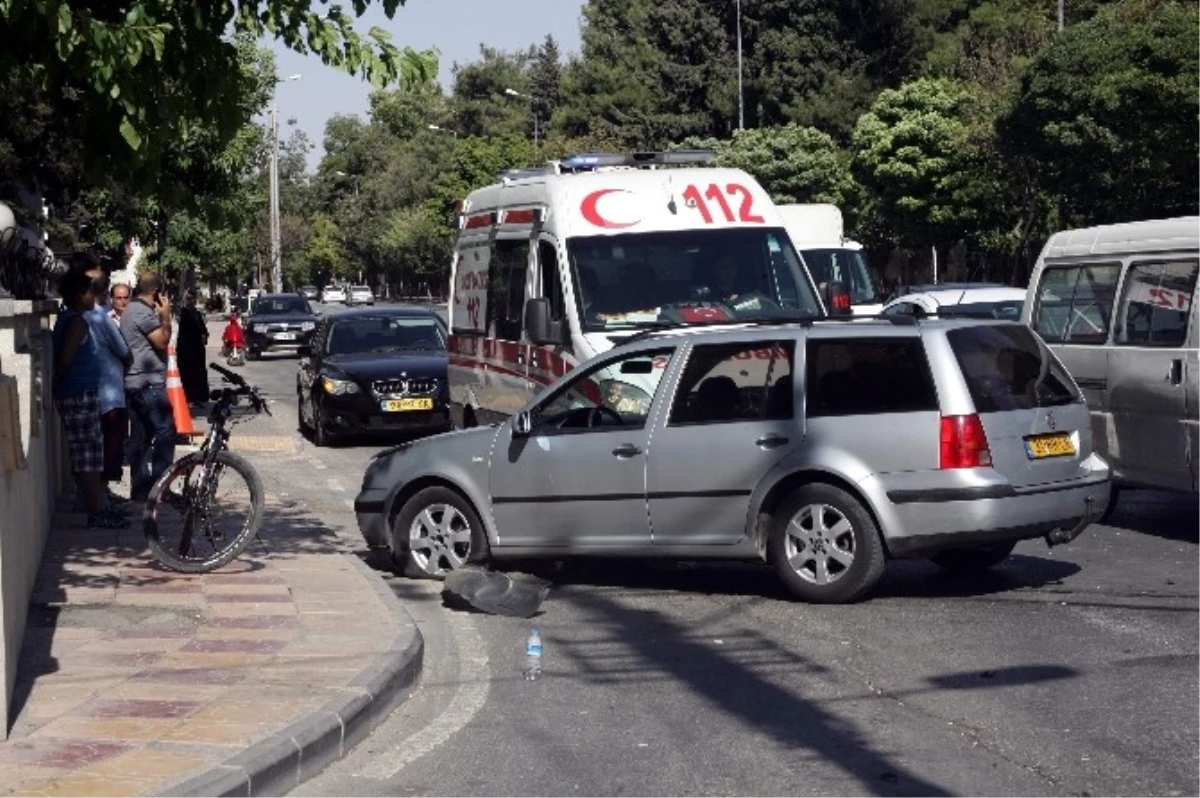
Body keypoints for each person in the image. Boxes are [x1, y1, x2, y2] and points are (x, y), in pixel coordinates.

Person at [52, 269, 130, 529]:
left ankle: (101, 506)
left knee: (91, 453)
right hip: (77, 394)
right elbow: (65, 359)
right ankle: (97, 510)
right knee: (88, 454)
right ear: (79, 295)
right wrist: (61, 383)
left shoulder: (70, 317)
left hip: (79, 392)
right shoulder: (76, 321)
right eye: (88, 292)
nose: (93, 297)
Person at [74, 257, 134, 506]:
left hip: (88, 392)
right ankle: (100, 497)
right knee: (109, 446)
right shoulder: (99, 317)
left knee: (91, 448)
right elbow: (123, 350)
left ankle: (93, 495)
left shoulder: (77, 315)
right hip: (109, 396)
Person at [120, 272, 176, 502]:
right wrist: (166, 316)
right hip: (146, 383)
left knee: (141, 436)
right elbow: (162, 340)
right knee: (165, 430)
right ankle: (160, 486)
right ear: (156, 292)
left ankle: (141, 488)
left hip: (136, 382)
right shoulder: (142, 313)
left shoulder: (131, 310)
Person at [177, 288, 209, 407]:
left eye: (192, 299)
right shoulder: (183, 313)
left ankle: (198, 398)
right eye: (188, 299)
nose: (191, 301)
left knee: (198, 373)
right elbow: (184, 332)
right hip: (186, 349)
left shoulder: (197, 313)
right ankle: (189, 398)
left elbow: (202, 328)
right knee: (188, 374)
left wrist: (204, 335)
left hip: (197, 348)